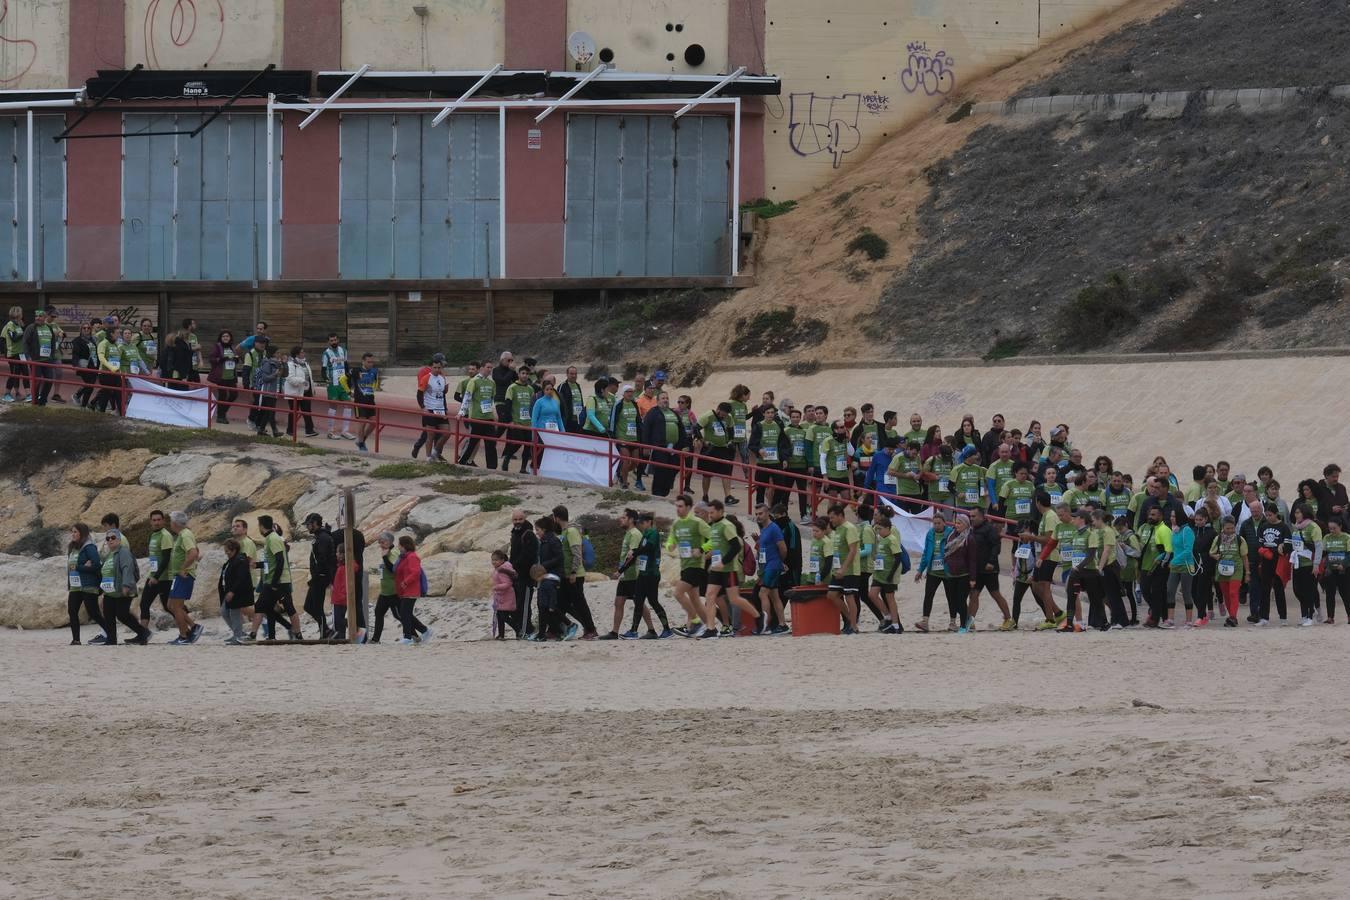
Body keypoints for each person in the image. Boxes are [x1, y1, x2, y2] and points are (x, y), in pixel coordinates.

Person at [601, 509, 650, 640]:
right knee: (619, 602)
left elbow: (633, 555)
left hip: (634, 575)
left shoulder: (635, 534)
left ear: (631, 520)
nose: (620, 519)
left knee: (639, 603)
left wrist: (619, 571)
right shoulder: (628, 533)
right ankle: (614, 632)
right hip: (625, 576)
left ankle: (651, 629)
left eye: (623, 517)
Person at [668, 494, 712, 636]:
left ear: (688, 507)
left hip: (696, 565)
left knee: (678, 593)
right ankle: (711, 629)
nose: (678, 509)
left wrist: (702, 549)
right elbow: (671, 538)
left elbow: (716, 538)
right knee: (695, 600)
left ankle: (695, 622)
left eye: (680, 506)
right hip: (685, 564)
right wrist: (670, 545)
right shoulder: (676, 523)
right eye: (676, 506)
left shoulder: (697, 522)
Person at [251, 514, 300, 641]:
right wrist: (256, 565)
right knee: (265, 607)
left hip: (278, 581)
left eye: (259, 526)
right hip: (273, 580)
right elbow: (270, 562)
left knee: (286, 607)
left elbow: (280, 560)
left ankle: (253, 635)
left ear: (261, 526)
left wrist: (273, 582)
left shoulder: (273, 539)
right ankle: (268, 635)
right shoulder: (269, 539)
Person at [967, 508, 1015, 630]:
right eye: (970, 516)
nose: (972, 518)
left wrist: (991, 562)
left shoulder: (990, 529)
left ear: (982, 517)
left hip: (989, 569)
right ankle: (970, 622)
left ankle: (1009, 619)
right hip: (977, 569)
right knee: (973, 595)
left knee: (995, 594)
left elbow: (996, 546)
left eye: (974, 516)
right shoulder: (971, 529)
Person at [554, 505, 598, 639]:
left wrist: (573, 572)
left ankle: (590, 628)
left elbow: (576, 553)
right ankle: (559, 629)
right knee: (562, 603)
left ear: (557, 518)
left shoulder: (571, 531)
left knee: (580, 604)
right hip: (566, 575)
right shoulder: (564, 532)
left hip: (575, 575)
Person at [66, 523, 110, 645]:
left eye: (75, 532)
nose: (73, 534)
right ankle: (76, 639)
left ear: (82, 533)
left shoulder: (89, 547)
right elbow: (70, 567)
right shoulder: (72, 547)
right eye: (72, 532)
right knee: (72, 611)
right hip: (75, 586)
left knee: (93, 612)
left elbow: (96, 565)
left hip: (88, 585)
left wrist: (79, 567)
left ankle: (110, 633)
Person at [165, 511, 203, 645]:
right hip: (178, 576)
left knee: (177, 607)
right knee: (170, 605)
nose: (170, 523)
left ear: (174, 523)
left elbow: (192, 553)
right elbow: (196, 551)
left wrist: (183, 568)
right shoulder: (183, 534)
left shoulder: (185, 534)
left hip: (183, 575)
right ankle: (193, 627)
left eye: (170, 521)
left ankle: (184, 636)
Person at [753, 503, 790, 635]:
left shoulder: (774, 528)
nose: (758, 516)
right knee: (774, 596)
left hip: (773, 565)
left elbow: (783, 548)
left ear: (767, 513)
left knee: (762, 593)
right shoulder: (764, 529)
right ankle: (782, 624)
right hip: (767, 565)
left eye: (760, 513)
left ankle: (766, 625)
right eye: (756, 514)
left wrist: (779, 562)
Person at [1252, 504, 1291, 626]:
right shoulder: (1263, 527)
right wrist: (1262, 551)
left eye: (1270, 515)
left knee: (1279, 589)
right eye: (1267, 515)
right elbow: (1259, 543)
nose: (1268, 517)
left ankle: (1283, 618)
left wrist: (1279, 549)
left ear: (1276, 514)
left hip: (1279, 562)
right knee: (1265, 589)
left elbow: (1288, 546)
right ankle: (1264, 618)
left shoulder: (1284, 527)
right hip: (1266, 561)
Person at [457, 360, 500, 468]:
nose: (489, 370)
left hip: (488, 417)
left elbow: (491, 400)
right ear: (481, 368)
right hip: (476, 417)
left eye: (491, 368)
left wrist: (495, 413)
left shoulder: (492, 383)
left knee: (491, 444)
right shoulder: (474, 381)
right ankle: (462, 463)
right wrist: (461, 412)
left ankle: (492, 467)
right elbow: (467, 397)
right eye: (488, 367)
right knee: (472, 443)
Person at [696, 401, 739, 506]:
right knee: (707, 474)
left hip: (724, 449)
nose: (723, 417)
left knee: (726, 473)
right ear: (718, 409)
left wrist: (731, 441)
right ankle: (705, 496)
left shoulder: (728, 418)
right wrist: (702, 441)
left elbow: (731, 430)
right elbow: (696, 428)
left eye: (726, 415)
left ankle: (728, 497)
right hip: (710, 449)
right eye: (722, 414)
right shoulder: (708, 416)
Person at [1287, 505, 1323, 626]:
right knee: (1297, 590)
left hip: (1309, 563)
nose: (1296, 515)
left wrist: (1316, 565)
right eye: (1295, 513)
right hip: (1298, 563)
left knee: (1308, 591)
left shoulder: (1313, 527)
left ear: (1305, 513)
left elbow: (1318, 547)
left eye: (1298, 512)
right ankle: (1305, 615)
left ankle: (1308, 616)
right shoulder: (1296, 528)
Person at [1209, 516, 1248, 627]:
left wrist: (1248, 573)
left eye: (1232, 528)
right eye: (1228, 528)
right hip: (1222, 569)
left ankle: (1233, 616)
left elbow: (1245, 557)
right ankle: (1231, 616)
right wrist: (1215, 556)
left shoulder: (1240, 539)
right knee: (1226, 594)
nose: (1230, 531)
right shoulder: (1218, 539)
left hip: (1236, 569)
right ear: (1223, 528)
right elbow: (1211, 552)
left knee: (1233, 592)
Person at [532, 517, 566, 640]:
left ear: (544, 529)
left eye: (538, 530)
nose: (536, 532)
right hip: (544, 575)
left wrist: (543, 566)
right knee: (542, 606)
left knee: (548, 605)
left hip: (553, 576)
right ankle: (543, 634)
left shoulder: (553, 541)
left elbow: (559, 558)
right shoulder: (544, 541)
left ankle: (567, 625)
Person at [304, 513, 336, 639]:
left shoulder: (322, 538)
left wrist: (318, 576)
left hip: (321, 577)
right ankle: (326, 630)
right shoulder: (320, 536)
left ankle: (324, 632)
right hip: (318, 576)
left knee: (316, 607)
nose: (308, 527)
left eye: (309, 524)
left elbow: (323, 559)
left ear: (315, 523)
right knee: (309, 606)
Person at [393, 535, 430, 645]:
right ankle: (424, 630)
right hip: (405, 591)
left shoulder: (412, 557)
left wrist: (406, 582)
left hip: (411, 590)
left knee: (404, 613)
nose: (398, 546)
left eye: (399, 544)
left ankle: (408, 637)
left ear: (404, 545)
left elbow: (415, 572)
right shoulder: (404, 557)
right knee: (405, 613)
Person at [500, 364, 537, 474]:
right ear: (519, 374)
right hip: (516, 422)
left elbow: (533, 406)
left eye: (527, 374)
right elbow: (507, 405)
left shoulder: (530, 389)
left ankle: (523, 468)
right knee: (518, 442)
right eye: (523, 373)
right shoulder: (512, 388)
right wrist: (510, 420)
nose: (525, 376)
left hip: (528, 423)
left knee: (528, 445)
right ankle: (507, 457)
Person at [218, 538, 255, 645]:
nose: (226, 552)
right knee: (224, 612)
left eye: (227, 550)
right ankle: (238, 633)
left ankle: (238, 636)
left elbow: (241, 578)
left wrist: (232, 591)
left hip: (237, 592)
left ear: (233, 549)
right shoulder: (231, 561)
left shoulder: (240, 560)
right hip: (228, 591)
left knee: (234, 612)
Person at [321, 332, 353, 440]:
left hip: (343, 383)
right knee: (333, 406)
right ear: (328, 342)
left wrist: (349, 380)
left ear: (338, 340)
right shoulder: (326, 353)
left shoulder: (343, 350)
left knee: (348, 405)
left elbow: (346, 365)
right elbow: (323, 369)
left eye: (335, 340)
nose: (333, 342)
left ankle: (345, 431)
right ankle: (330, 432)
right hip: (333, 384)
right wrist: (326, 380)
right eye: (331, 340)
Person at [284, 345, 319, 437]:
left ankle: (309, 430)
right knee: (293, 411)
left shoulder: (305, 364)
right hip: (294, 392)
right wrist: (302, 381)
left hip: (306, 391)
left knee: (307, 410)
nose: (304, 353)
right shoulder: (291, 364)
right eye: (302, 352)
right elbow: (290, 378)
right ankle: (290, 430)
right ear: (297, 354)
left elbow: (309, 377)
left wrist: (313, 388)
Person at [349, 353, 380, 452]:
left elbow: (375, 382)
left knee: (374, 422)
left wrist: (373, 388)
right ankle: (361, 444)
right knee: (361, 423)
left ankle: (361, 440)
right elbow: (342, 379)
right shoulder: (356, 370)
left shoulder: (374, 371)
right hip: (359, 401)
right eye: (368, 362)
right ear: (363, 361)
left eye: (372, 362)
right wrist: (348, 392)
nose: (371, 364)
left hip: (371, 401)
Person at [1321, 517, 1350, 624]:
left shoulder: (1347, 537)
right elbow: (1324, 553)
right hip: (1330, 569)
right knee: (1330, 593)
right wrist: (1325, 565)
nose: (1332, 531)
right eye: (1330, 528)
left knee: (1345, 593)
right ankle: (1330, 617)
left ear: (1340, 526)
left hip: (1344, 569)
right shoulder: (1327, 537)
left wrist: (1343, 564)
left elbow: (1349, 554)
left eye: (1334, 528)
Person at [208, 330, 240, 424]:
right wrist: (221, 359)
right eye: (223, 336)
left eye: (227, 336)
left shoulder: (232, 347)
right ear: (220, 338)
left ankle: (222, 412)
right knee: (223, 395)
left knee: (234, 394)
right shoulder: (218, 347)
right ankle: (221, 416)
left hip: (231, 375)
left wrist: (236, 359)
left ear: (230, 338)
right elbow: (211, 359)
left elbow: (236, 359)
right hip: (221, 376)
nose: (225, 338)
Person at [489, 550, 521, 639]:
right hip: (501, 596)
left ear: (502, 560)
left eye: (496, 560)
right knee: (499, 616)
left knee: (504, 616)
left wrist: (496, 587)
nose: (494, 562)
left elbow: (507, 584)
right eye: (492, 560)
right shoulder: (500, 568)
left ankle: (518, 629)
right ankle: (501, 634)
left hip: (506, 596)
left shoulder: (502, 570)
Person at [70, 320, 99, 409]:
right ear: (81, 329)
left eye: (88, 328)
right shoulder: (77, 341)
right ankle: (83, 405)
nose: (86, 329)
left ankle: (78, 395)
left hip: (94, 365)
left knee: (90, 385)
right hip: (84, 365)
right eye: (84, 328)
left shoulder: (93, 340)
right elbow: (75, 354)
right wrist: (75, 364)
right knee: (90, 385)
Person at [2, 305, 25, 402]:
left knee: (18, 373)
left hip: (20, 353)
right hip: (12, 353)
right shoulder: (10, 325)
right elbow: (11, 338)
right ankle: (6, 394)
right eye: (20, 314)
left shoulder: (19, 324)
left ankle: (17, 392)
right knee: (14, 373)